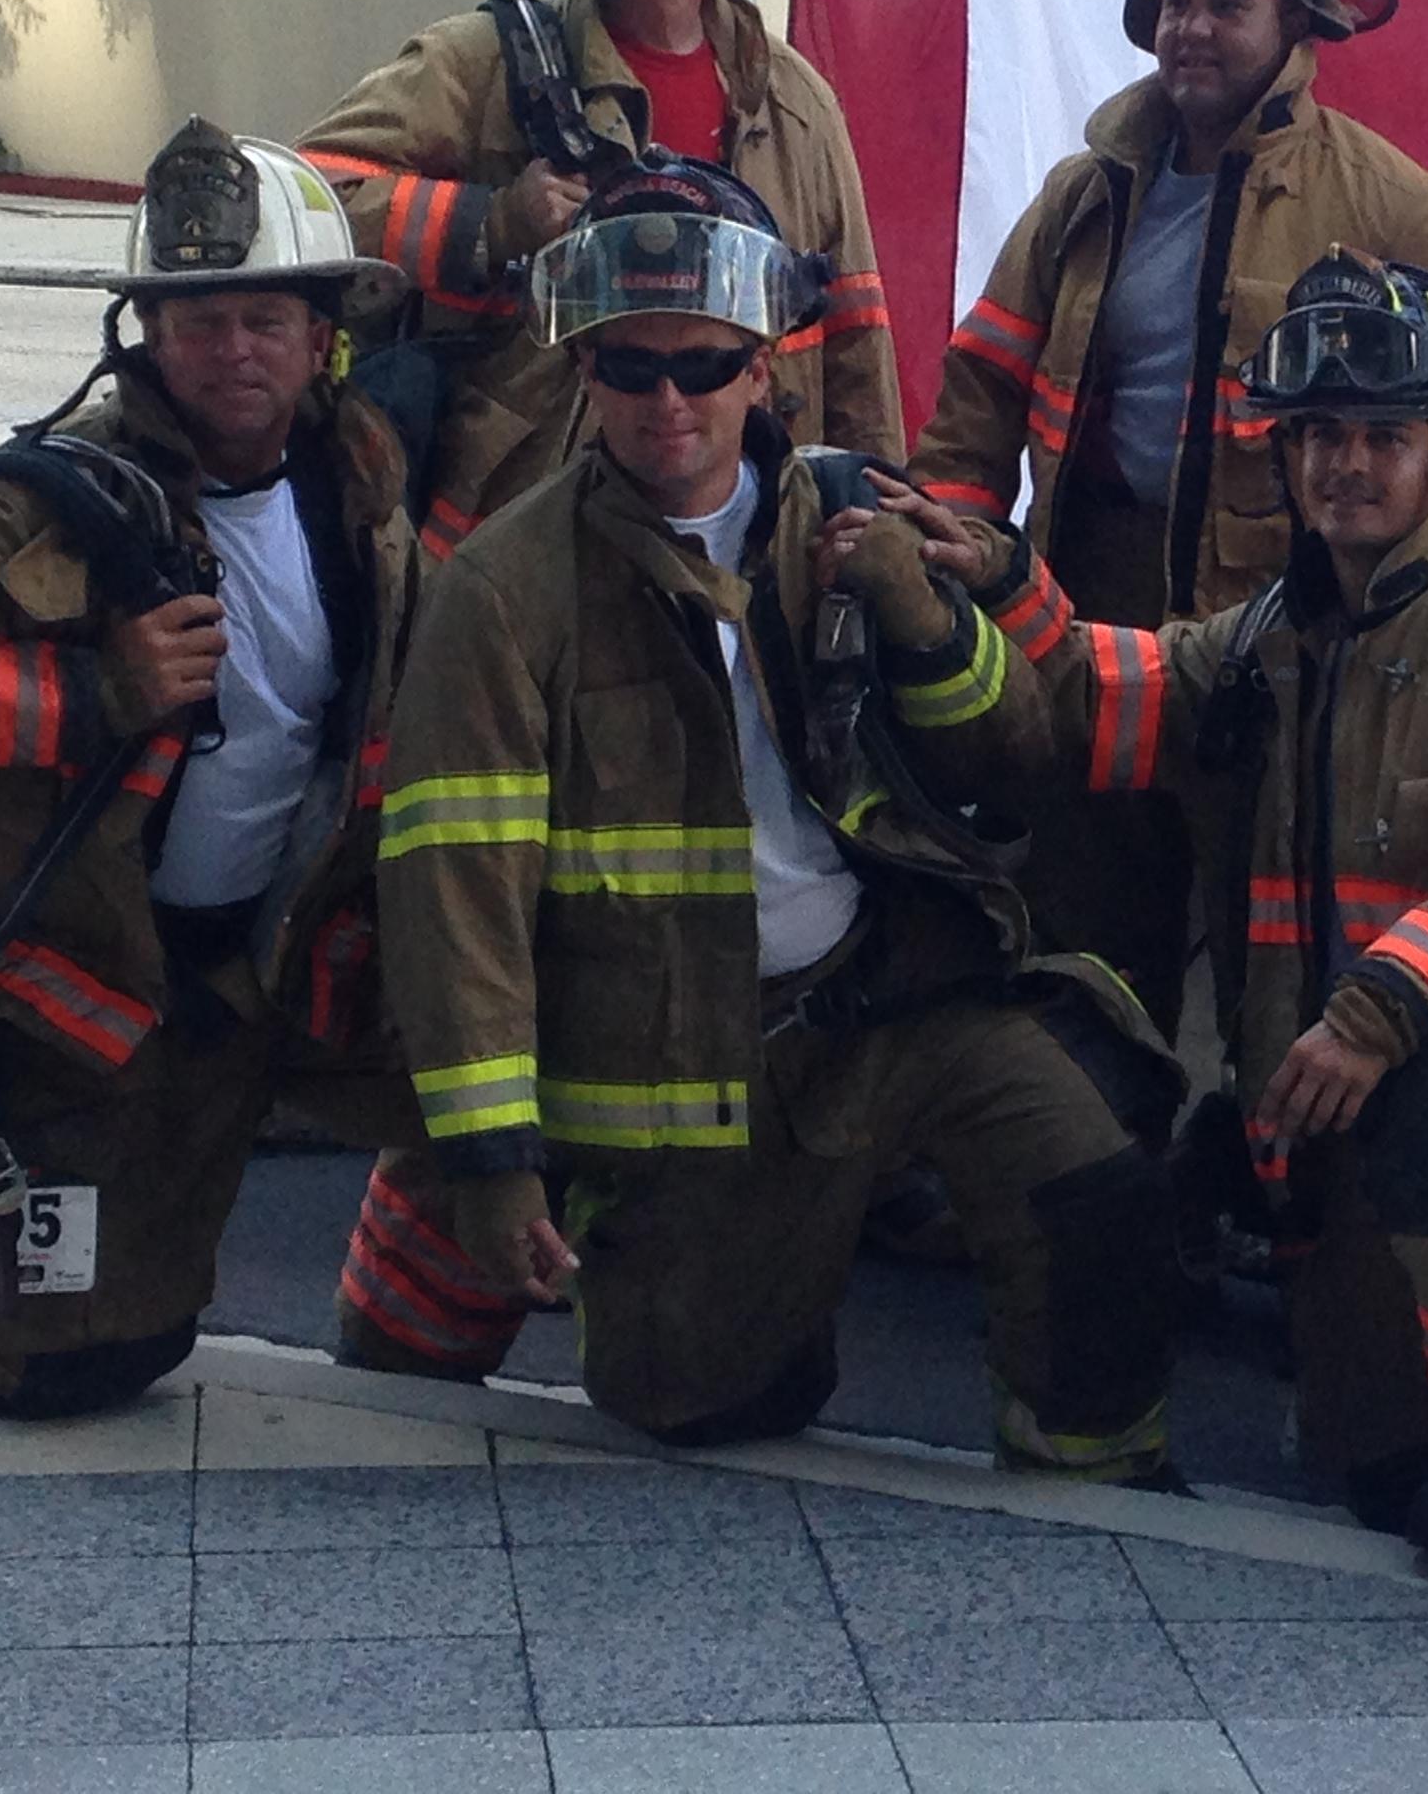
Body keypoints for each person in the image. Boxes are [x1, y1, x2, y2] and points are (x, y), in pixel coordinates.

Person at [366, 158, 1184, 1470]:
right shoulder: (506, 593)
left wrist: (924, 621)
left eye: (703, 365)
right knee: (699, 1397)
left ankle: (1095, 1465)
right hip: (695, 1072)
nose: (668, 402)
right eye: (630, 367)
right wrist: (490, 1156)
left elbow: (1019, 753)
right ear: (584, 372)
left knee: (1090, 1178)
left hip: (895, 1006)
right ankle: (713, 1278)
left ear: (762, 369)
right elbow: (458, 900)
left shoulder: (861, 513)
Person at [910, 256, 1428, 1560]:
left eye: (1383, 438)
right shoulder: (1280, 631)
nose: (1343, 465)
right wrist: (1003, 577)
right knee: (1372, 1469)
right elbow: (1113, 702)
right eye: (1317, 435)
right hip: (1333, 1124)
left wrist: (1373, 1019)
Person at [0, 123, 425, 1415]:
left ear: (323, 335)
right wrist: (97, 693)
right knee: (47, 1363)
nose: (235, 349)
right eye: (199, 321)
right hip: (86, 998)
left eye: (266, 318)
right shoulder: (51, 499)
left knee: (146, 1335)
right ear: (149, 334)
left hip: (264, 972)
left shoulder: (357, 478)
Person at [907, 0, 1428, 1037]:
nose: (1193, 28)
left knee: (1273, 951)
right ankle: (1105, 1139)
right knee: (1085, 940)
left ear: (1296, 16)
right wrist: (948, 569)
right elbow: (979, 400)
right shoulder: (1085, 192)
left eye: (1227, 2)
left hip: (1286, 633)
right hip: (1082, 609)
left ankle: (1253, 1145)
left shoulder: (1389, 204)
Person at [303, 0, 899, 562]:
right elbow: (304, 197)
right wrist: (489, 222)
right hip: (535, 542)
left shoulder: (795, 103)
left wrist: (871, 516)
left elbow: (856, 334)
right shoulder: (483, 65)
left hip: (755, 540)